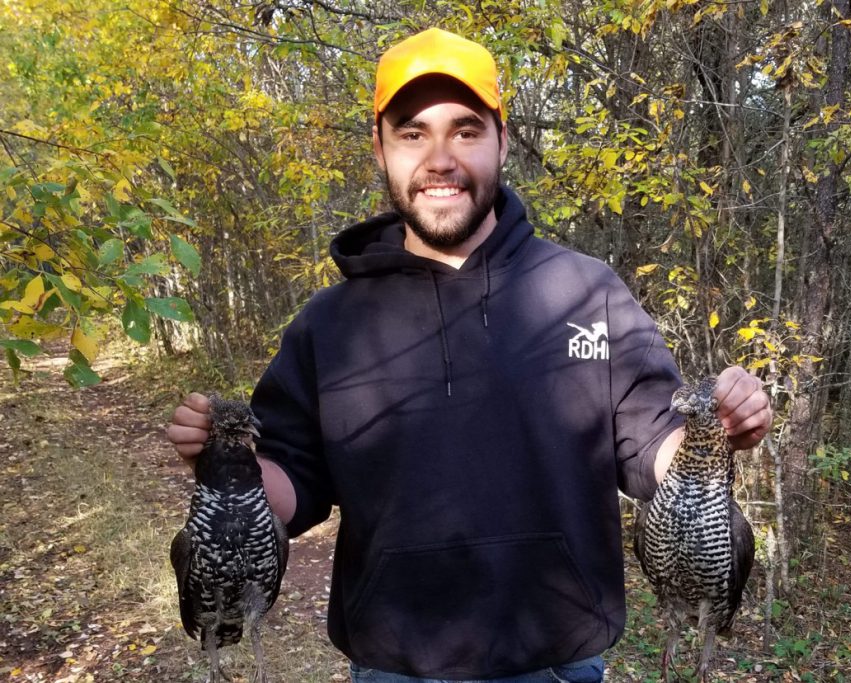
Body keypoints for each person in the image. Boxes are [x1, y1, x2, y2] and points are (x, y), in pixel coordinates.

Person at [167, 27, 772, 682]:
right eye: (412, 132)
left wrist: (716, 429)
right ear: (379, 148)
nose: (440, 158)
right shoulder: (329, 326)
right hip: (394, 667)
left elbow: (653, 445)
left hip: (559, 664)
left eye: (465, 130)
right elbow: (288, 481)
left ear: (502, 140)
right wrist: (227, 465)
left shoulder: (586, 293)